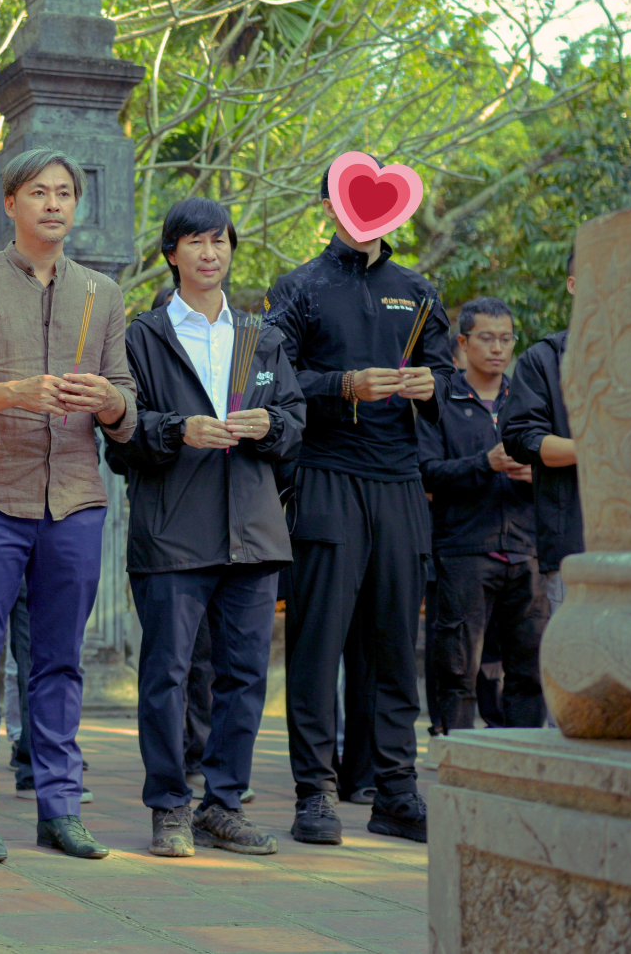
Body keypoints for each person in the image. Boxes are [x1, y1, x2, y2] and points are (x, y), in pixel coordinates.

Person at [0, 149, 137, 864]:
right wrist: (14, 392)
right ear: (10, 202)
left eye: (65, 193)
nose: (54, 204)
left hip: (77, 498)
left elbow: (125, 398)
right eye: (39, 192)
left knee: (59, 661)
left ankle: (60, 806)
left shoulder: (101, 295)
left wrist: (109, 400)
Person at [264, 160, 452, 847]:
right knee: (318, 644)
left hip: (401, 481)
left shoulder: (417, 290)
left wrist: (430, 385)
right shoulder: (300, 287)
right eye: (346, 201)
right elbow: (267, 374)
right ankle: (314, 791)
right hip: (327, 476)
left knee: (397, 643)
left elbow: (449, 378)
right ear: (328, 206)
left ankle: (394, 788)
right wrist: (343, 384)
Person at [110, 199, 302, 859]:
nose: (209, 253)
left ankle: (224, 803)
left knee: (246, 674)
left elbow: (296, 422)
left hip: (253, 530)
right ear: (171, 253)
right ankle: (169, 804)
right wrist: (176, 429)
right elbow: (119, 434)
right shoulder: (143, 336)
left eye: (219, 241)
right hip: (172, 534)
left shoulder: (261, 335)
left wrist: (270, 425)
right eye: (194, 241)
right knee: (167, 673)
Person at [420, 297, 544, 735]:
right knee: (458, 666)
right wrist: (484, 464)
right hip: (464, 550)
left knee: (529, 669)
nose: (498, 348)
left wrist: (536, 474)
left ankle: (525, 759)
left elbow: (557, 462)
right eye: (487, 338)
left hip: (527, 550)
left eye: (506, 339)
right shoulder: (440, 400)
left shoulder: (527, 399)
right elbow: (425, 471)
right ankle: (455, 751)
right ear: (463, 342)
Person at [499, 255, 580, 602]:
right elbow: (522, 438)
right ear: (573, 285)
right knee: (578, 652)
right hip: (573, 547)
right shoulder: (543, 359)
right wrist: (597, 448)